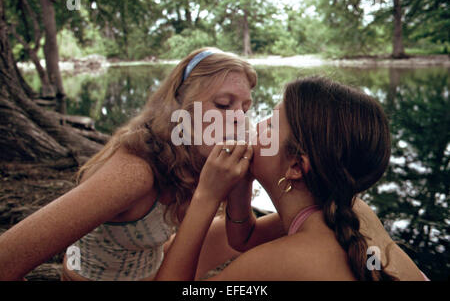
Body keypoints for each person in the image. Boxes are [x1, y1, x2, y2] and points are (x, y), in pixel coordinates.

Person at [0, 47, 257, 281]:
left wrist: (244, 181)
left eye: (245, 109)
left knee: (268, 233)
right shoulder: (134, 173)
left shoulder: (195, 157)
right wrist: (208, 194)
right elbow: (6, 259)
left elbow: (242, 235)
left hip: (152, 267)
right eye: (223, 105)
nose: (239, 120)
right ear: (181, 106)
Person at [154, 76, 430, 281]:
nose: (254, 126)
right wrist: (241, 185)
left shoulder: (280, 261)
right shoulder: (349, 210)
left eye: (271, 124)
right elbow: (244, 238)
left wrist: (207, 196)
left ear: (296, 167)